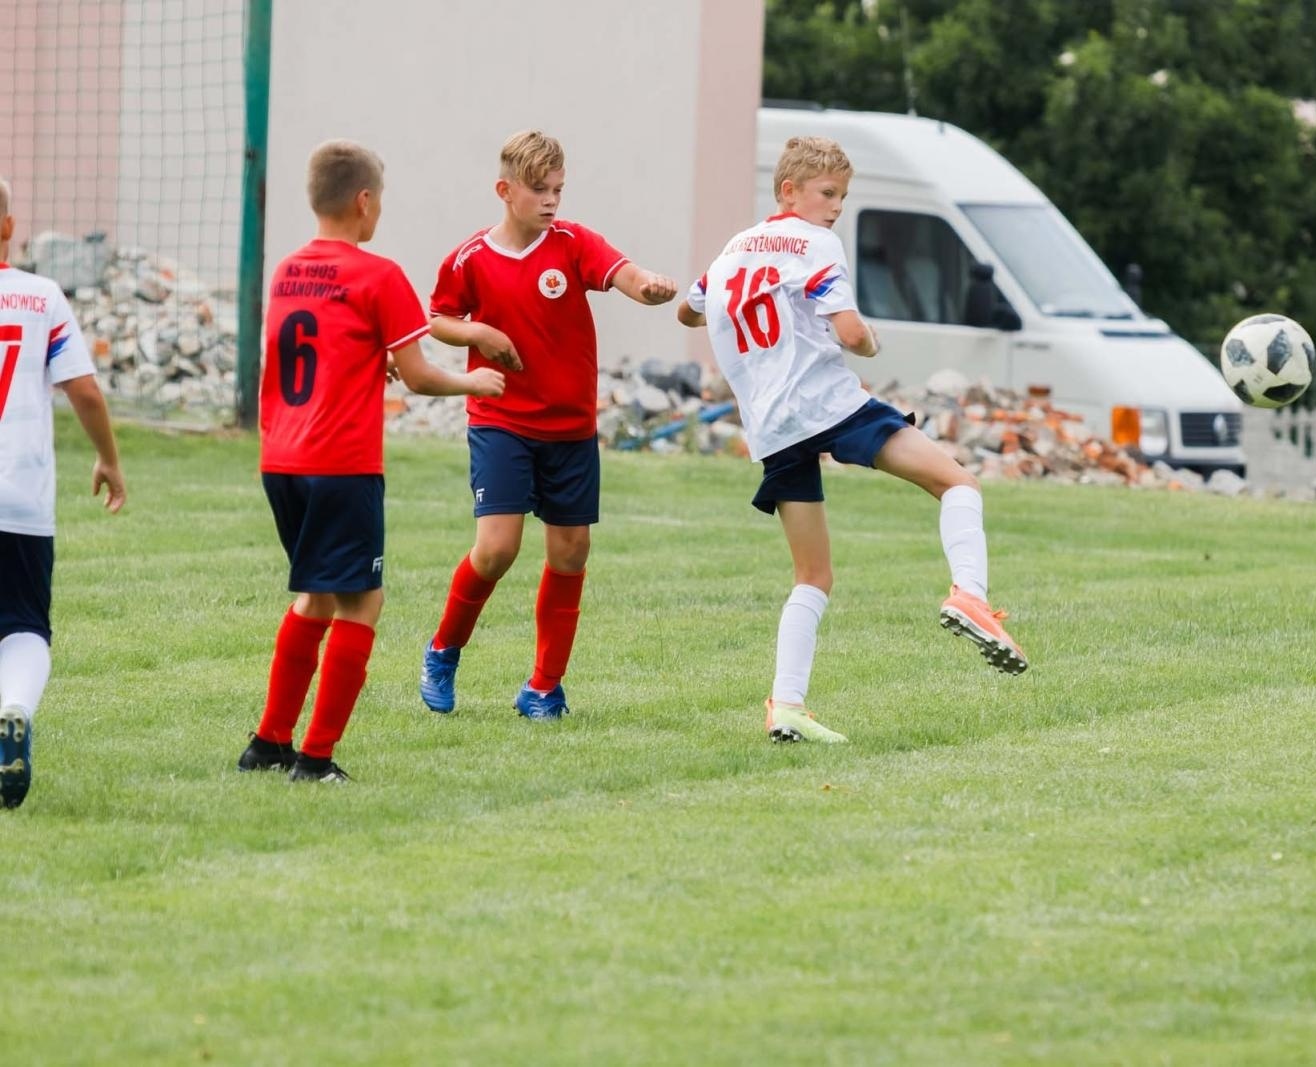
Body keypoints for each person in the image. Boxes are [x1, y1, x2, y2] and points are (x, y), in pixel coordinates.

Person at [676, 136, 1027, 744]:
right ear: (789, 190)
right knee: (958, 482)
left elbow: (690, 311)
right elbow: (848, 333)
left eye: (842, 195)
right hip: (828, 406)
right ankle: (970, 596)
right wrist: (868, 339)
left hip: (773, 427)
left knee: (812, 576)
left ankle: (785, 706)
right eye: (827, 193)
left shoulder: (733, 249)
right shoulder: (816, 243)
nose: (836, 206)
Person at [238, 140, 504, 782]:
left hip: (282, 458)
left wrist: (367, 364)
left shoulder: (288, 270)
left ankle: (269, 742)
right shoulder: (377, 275)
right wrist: (476, 382)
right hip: (341, 464)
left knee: (315, 598)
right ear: (364, 202)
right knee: (362, 603)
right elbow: (417, 375)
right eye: (379, 199)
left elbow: (307, 355)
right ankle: (316, 757)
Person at [418, 129, 677, 719]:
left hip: (571, 428)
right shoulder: (470, 259)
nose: (551, 200)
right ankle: (442, 651)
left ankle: (543, 686)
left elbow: (624, 273)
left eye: (558, 189)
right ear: (505, 190)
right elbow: (438, 320)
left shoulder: (572, 243)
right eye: (539, 189)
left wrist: (651, 288)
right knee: (496, 550)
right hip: (501, 420)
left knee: (570, 552)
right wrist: (479, 333)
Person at [0, 175, 127, 809]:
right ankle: (14, 708)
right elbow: (83, 389)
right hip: (19, 497)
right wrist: (108, 459)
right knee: (23, 624)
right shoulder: (40, 296)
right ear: (8, 227)